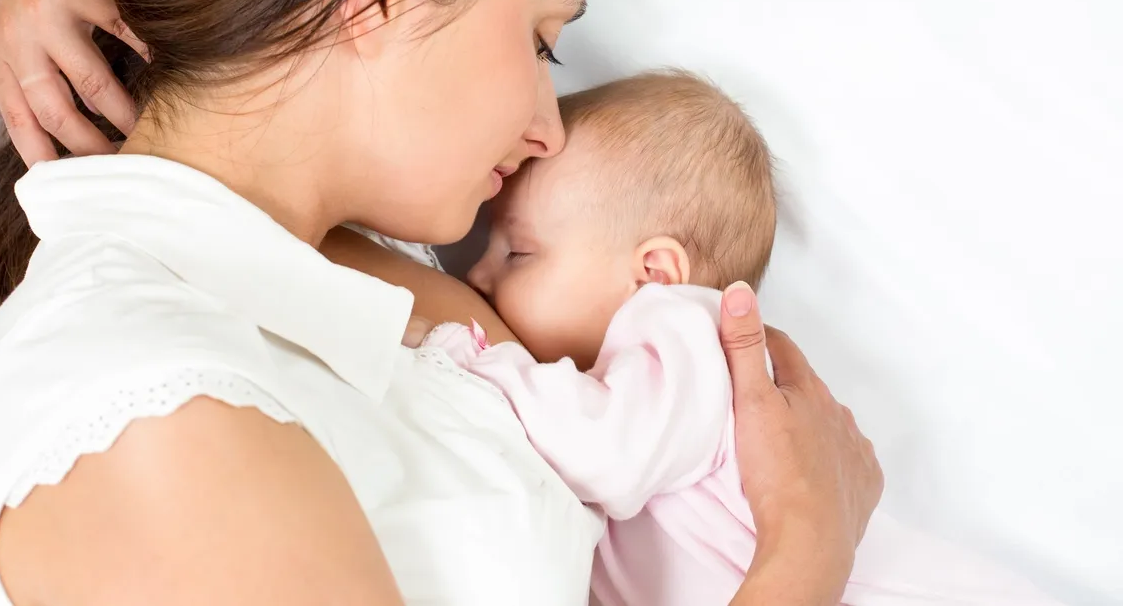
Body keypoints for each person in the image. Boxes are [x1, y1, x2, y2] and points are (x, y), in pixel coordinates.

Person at [0, 0, 883, 604]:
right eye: (541, 39)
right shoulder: (153, 414)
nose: (551, 127)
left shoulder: (366, 296)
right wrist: (803, 549)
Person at [414, 70, 1060, 606]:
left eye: (517, 253)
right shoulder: (646, 366)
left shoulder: (678, 333)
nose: (477, 273)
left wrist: (470, 358)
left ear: (654, 273)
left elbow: (602, 453)